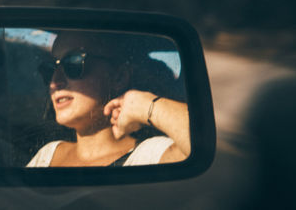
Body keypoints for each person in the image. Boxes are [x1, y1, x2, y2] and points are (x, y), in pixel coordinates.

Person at [26, 31, 190, 167]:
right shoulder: (48, 153)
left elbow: (199, 144)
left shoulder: (149, 155)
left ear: (118, 77)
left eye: (74, 63)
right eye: (50, 69)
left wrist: (144, 104)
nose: (55, 82)